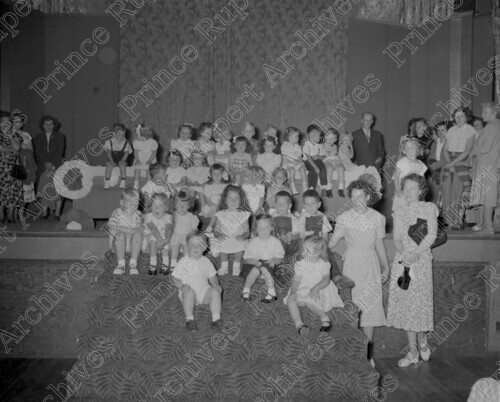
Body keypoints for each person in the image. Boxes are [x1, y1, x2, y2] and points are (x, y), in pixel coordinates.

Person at [329, 180, 390, 368]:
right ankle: (353, 354)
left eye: (360, 196)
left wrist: (386, 266)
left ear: (368, 197)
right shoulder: (344, 217)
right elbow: (331, 242)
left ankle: (368, 355)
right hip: (351, 265)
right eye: (353, 197)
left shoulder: (378, 218)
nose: (357, 200)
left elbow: (379, 244)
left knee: (370, 308)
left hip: (371, 264)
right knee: (353, 308)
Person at [386, 174, 438, 367]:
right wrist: (405, 254)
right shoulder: (399, 212)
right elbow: (397, 239)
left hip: (421, 259)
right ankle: (412, 351)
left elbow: (431, 234)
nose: (408, 192)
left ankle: (422, 338)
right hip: (404, 261)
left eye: (412, 188)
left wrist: (415, 253)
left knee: (419, 303)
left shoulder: (429, 208)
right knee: (408, 305)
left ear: (421, 190)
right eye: (405, 188)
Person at [285, 235, 344, 336]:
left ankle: (325, 318)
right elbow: (296, 280)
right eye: (303, 250)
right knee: (290, 300)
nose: (303, 253)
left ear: (318, 252)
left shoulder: (323, 264)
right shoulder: (301, 264)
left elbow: (326, 279)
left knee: (310, 300)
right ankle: (299, 325)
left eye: (307, 251)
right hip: (303, 289)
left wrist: (316, 289)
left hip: (320, 288)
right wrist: (293, 292)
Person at [172, 231, 223, 331]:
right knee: (189, 293)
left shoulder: (207, 262)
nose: (195, 247)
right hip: (188, 291)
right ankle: (189, 319)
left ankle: (216, 319)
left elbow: (213, 277)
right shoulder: (183, 261)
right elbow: (175, 278)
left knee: (215, 292)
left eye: (199, 245)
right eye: (192, 245)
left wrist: (216, 285)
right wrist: (181, 286)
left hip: (204, 292)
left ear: (205, 247)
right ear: (187, 247)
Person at [441, 107, 476, 230]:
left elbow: (467, 151)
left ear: (466, 117)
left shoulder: (470, 130)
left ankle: (458, 221)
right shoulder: (451, 130)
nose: (459, 118)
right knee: (447, 191)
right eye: (456, 116)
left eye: (461, 116)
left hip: (461, 161)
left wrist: (453, 164)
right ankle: (449, 221)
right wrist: (449, 163)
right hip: (449, 161)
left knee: (459, 192)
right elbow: (445, 149)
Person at [469, 103, 500, 235]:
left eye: (485, 112)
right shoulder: (497, 125)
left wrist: (473, 151)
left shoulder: (491, 127)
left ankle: (489, 227)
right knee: (489, 196)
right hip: (493, 165)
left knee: (488, 197)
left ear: (494, 113)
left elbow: (485, 148)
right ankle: (488, 226)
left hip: (487, 166)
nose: (482, 115)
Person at [240, 214, 285, 303]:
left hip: (271, 266)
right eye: (260, 228)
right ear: (256, 229)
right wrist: (255, 262)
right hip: (255, 265)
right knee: (256, 269)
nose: (263, 230)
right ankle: (245, 293)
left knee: (264, 267)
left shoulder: (276, 242)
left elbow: (280, 258)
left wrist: (274, 260)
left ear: (271, 228)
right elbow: (248, 259)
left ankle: (272, 293)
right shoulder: (252, 243)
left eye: (266, 227)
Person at [33, 115, 66, 219]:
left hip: (56, 165)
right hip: (43, 167)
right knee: (44, 189)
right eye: (46, 124)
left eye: (50, 124)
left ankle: (57, 212)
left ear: (54, 125)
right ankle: (44, 212)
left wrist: (52, 164)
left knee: (58, 189)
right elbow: (37, 152)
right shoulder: (38, 137)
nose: (48, 126)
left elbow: (59, 152)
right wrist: (45, 163)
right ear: (42, 126)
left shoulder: (60, 136)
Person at [213, 184, 251, 275]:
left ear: (241, 201)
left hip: (237, 238)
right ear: (225, 200)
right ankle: (224, 265)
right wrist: (219, 235)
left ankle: (236, 266)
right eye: (230, 198)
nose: (233, 201)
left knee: (240, 245)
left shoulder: (243, 215)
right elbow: (216, 230)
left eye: (236, 198)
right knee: (221, 243)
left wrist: (243, 236)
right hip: (225, 237)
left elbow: (247, 232)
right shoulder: (221, 214)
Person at [107, 188, 143, 275]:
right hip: (117, 245)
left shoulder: (138, 214)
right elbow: (112, 225)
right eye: (129, 205)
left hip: (132, 245)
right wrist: (129, 230)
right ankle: (121, 265)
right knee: (120, 236)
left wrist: (139, 229)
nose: (132, 208)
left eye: (135, 205)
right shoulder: (117, 213)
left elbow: (141, 228)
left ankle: (133, 264)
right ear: (122, 203)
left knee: (138, 235)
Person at [392, 137, 427, 211]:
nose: (411, 150)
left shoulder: (421, 165)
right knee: (403, 211)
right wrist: (397, 188)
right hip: (404, 192)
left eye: (413, 148)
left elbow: (422, 180)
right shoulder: (402, 162)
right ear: (404, 151)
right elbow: (396, 176)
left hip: (416, 193)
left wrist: (422, 191)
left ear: (418, 149)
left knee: (416, 212)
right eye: (408, 148)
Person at [0, 111, 23, 223]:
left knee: (14, 190)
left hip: (14, 167)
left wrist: (9, 135)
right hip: (1, 167)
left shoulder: (15, 135)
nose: (5, 124)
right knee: (2, 190)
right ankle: (1, 214)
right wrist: (11, 150)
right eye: (3, 122)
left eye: (8, 122)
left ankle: (10, 214)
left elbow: (17, 148)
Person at [142, 193, 173, 275]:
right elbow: (153, 228)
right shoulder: (148, 216)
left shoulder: (168, 217)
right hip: (149, 241)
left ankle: (165, 265)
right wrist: (160, 240)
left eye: (160, 206)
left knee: (166, 239)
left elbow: (169, 228)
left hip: (163, 241)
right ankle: (153, 264)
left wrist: (166, 240)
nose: (157, 208)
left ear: (166, 208)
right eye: (154, 205)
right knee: (153, 239)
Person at [170, 190, 199, 269]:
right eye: (179, 204)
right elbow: (168, 228)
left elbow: (194, 230)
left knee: (186, 245)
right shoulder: (173, 216)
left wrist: (192, 238)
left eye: (185, 204)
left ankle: (187, 264)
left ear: (189, 205)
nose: (182, 207)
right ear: (175, 205)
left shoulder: (192, 217)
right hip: (176, 236)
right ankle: (173, 264)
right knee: (175, 245)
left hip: (187, 237)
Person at [270, 191, 303, 256]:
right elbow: (268, 232)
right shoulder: (271, 217)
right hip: (276, 241)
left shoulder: (293, 218)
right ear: (275, 205)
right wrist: (278, 237)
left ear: (289, 206)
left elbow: (299, 233)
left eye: (284, 203)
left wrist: (292, 237)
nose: (281, 206)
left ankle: (294, 257)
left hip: (290, 242)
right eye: (279, 203)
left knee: (300, 242)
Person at [302, 124, 330, 197]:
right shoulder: (306, 145)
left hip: (317, 162)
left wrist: (318, 157)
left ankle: (323, 187)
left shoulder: (318, 145)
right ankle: (312, 188)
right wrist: (315, 167)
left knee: (322, 167)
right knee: (314, 170)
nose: (320, 137)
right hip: (308, 163)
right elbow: (308, 158)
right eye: (318, 135)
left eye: (320, 135)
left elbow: (324, 155)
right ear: (311, 135)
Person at [280, 126, 308, 194]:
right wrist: (294, 157)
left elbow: (300, 154)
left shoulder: (297, 146)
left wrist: (300, 154)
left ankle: (304, 185)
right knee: (291, 170)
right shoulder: (285, 145)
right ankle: (293, 187)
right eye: (296, 136)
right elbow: (284, 155)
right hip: (288, 162)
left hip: (296, 162)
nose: (298, 138)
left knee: (302, 169)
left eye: (298, 136)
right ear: (289, 137)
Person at [104, 123, 131, 189]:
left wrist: (123, 160)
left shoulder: (126, 142)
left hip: (122, 159)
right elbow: (109, 152)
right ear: (114, 133)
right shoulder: (109, 142)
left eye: (123, 134)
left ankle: (123, 183)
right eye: (119, 134)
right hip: (112, 159)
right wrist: (111, 160)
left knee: (122, 165)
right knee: (109, 166)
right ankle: (107, 183)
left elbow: (126, 152)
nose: (121, 136)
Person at [428, 121, 448, 204]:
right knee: (435, 197)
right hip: (435, 173)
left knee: (445, 197)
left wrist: (436, 165)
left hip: (446, 173)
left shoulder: (450, 142)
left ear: (448, 131)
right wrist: (430, 163)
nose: (440, 132)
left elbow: (448, 158)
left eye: (443, 130)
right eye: (438, 130)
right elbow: (430, 157)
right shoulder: (434, 143)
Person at [132, 124, 158, 190]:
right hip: (140, 157)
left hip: (149, 158)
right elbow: (136, 151)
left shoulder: (152, 142)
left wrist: (150, 160)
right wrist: (137, 159)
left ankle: (149, 185)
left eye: (137, 135)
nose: (136, 136)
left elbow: (154, 152)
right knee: (137, 170)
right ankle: (136, 184)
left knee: (148, 171)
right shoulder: (136, 142)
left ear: (144, 135)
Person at [323, 128, 345, 197]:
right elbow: (321, 155)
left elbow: (338, 155)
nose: (330, 140)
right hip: (328, 160)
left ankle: (341, 188)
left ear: (335, 140)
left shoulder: (336, 146)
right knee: (329, 168)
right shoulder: (322, 146)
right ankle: (329, 187)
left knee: (341, 168)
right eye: (329, 138)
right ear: (325, 137)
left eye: (333, 139)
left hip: (336, 160)